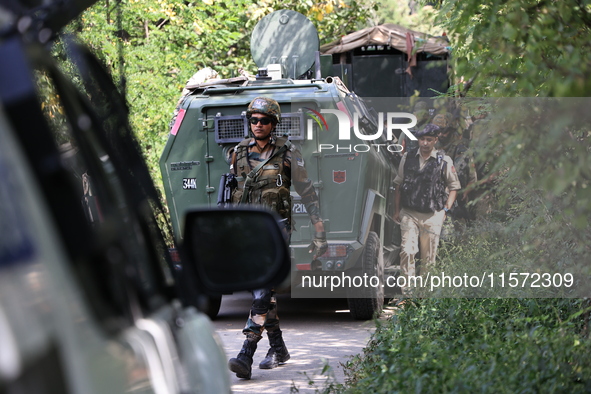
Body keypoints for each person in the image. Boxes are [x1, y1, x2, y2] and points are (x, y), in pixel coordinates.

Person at [227, 96, 327, 379]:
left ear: (273, 124)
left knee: (262, 291)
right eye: (254, 120)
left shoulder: (288, 154)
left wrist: (319, 227)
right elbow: (231, 191)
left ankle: (246, 351)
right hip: (247, 233)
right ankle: (279, 348)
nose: (258, 125)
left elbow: (307, 191)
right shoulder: (238, 153)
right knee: (264, 294)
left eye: (264, 120)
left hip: (276, 232)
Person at [393, 123, 461, 294]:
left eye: (428, 140)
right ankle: (408, 293)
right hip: (409, 212)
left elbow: (454, 187)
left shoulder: (444, 161)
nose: (424, 143)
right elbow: (398, 186)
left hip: (433, 214)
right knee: (407, 251)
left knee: (428, 258)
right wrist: (396, 211)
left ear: (435, 140)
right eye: (422, 139)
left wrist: (445, 211)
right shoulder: (407, 158)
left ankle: (424, 296)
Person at [433, 112, 477, 224]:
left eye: (444, 131)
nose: (441, 134)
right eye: (438, 130)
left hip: (455, 196)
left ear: (451, 130)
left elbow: (468, 178)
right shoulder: (430, 144)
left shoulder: (460, 148)